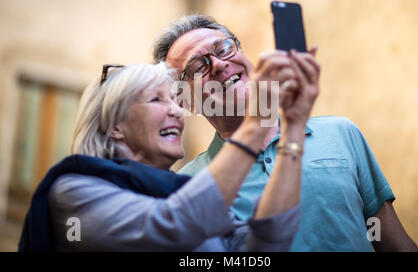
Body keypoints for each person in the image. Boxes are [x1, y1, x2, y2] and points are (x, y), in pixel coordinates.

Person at [153, 14, 418, 252]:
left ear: (244, 55)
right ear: (184, 100)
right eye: (198, 67)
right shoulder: (187, 185)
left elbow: (394, 244)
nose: (219, 65)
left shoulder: (341, 134)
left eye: (223, 48)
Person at [19, 60, 308, 252]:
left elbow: (263, 247)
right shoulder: (74, 191)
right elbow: (174, 225)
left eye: (174, 100)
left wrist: (293, 127)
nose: (176, 111)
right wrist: (255, 125)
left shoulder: (185, 190)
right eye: (157, 99)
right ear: (114, 126)